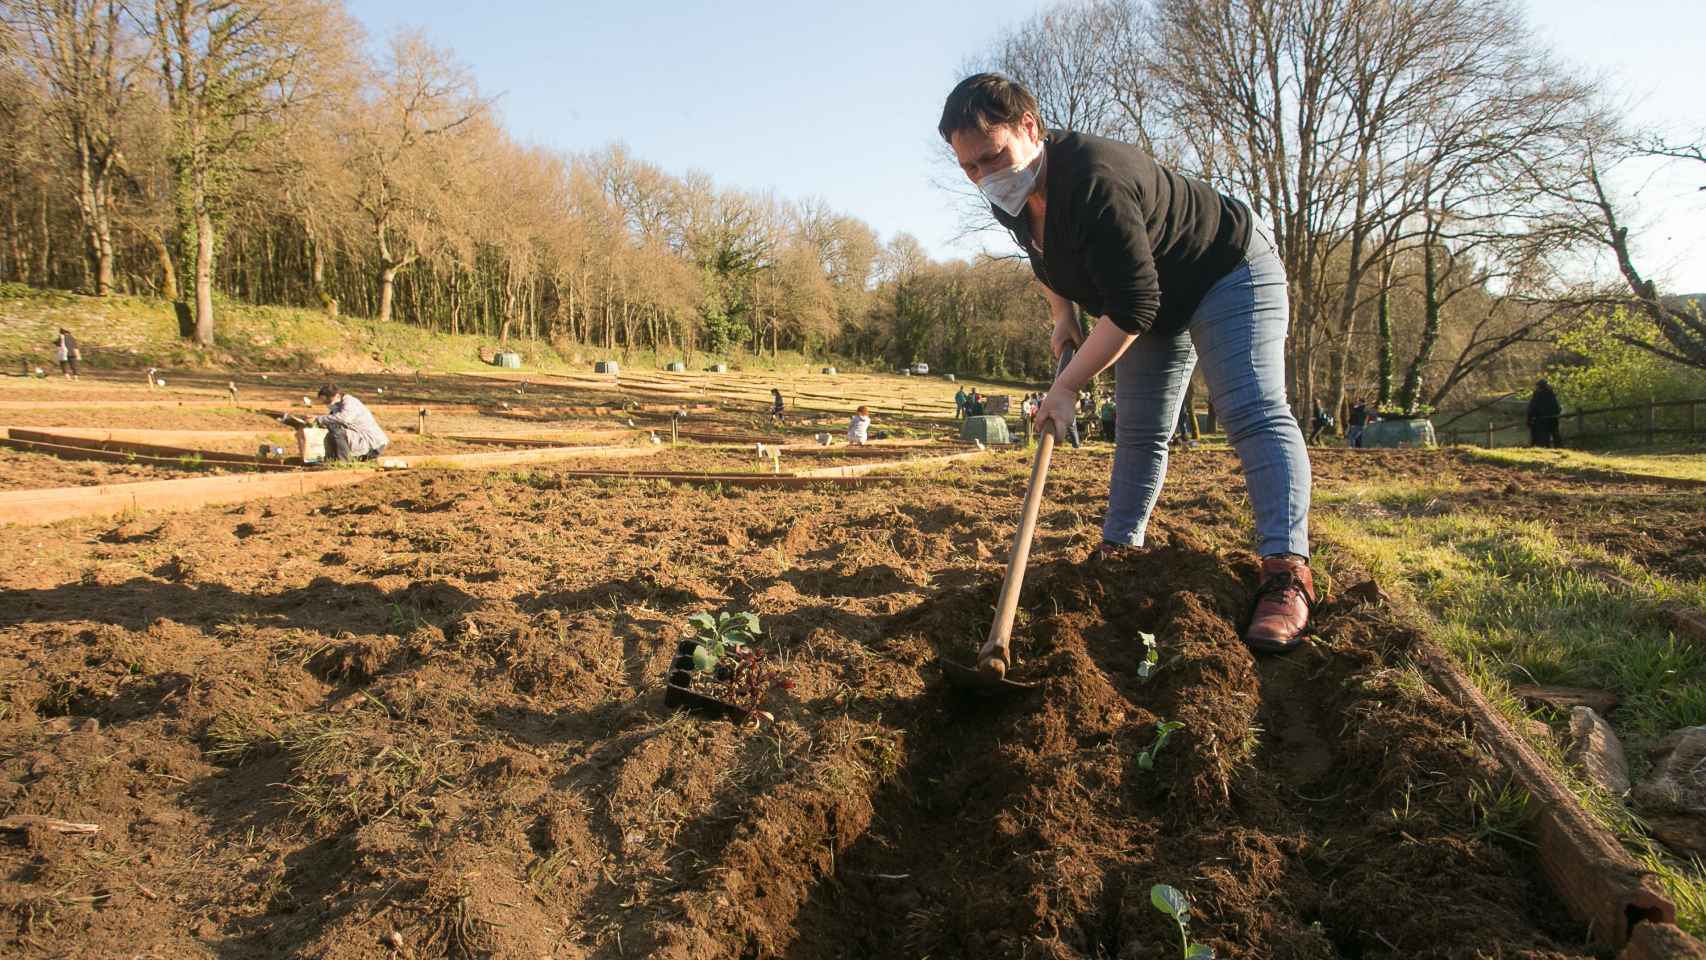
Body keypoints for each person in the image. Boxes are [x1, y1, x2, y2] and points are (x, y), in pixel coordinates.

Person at [942, 72, 1315, 652]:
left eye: (992, 156)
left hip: (1224, 270)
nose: (984, 176)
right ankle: (1120, 550)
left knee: (1250, 409)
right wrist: (1061, 314)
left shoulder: (1095, 180)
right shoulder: (1010, 195)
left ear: (1030, 128)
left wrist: (1066, 386)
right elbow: (1044, 255)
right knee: (1140, 431)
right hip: (1150, 298)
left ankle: (1287, 573)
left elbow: (1135, 307)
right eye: (970, 167)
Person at [313, 383, 389, 461]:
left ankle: (343, 462)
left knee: (337, 433)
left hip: (372, 444)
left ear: (337, 396)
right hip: (358, 440)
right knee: (330, 434)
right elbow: (333, 421)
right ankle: (332, 460)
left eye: (328, 401)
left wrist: (319, 419)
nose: (326, 404)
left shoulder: (350, 403)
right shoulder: (337, 406)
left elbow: (344, 418)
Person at [1527, 379, 1562, 447]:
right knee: (1556, 436)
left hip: (1541, 420)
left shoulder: (1537, 394)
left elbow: (1532, 408)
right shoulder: (1551, 394)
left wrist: (1529, 419)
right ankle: (1558, 448)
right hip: (1553, 418)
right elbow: (1557, 408)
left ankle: (1543, 448)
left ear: (1539, 386)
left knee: (1543, 438)